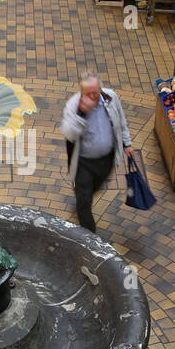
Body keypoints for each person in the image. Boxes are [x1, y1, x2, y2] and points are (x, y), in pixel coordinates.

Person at [59, 72, 134, 234]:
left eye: (95, 92)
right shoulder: (74, 105)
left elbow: (121, 122)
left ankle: (82, 198)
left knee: (94, 188)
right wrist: (82, 113)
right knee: (85, 199)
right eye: (88, 93)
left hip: (106, 159)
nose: (92, 96)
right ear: (82, 92)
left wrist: (127, 143)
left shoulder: (111, 97)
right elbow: (68, 133)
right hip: (83, 163)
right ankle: (90, 235)